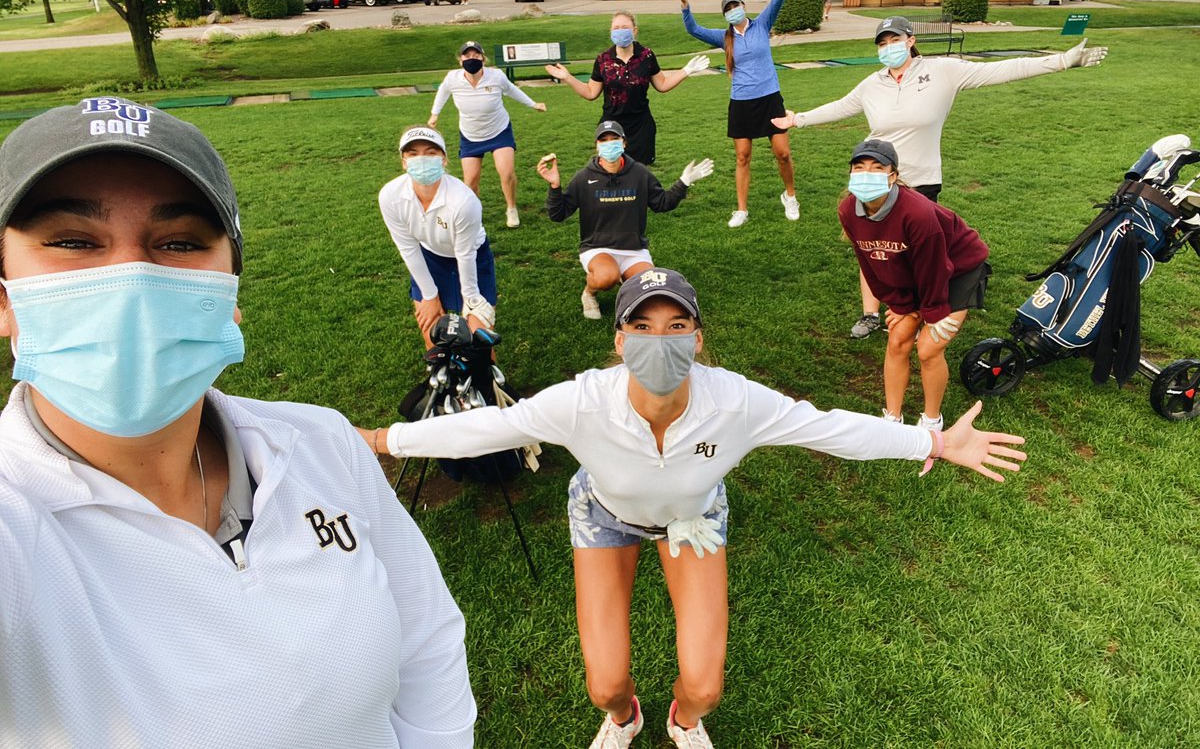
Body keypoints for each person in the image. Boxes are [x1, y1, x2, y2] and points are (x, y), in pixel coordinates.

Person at [362, 268, 1026, 749]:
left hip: (693, 520)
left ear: (698, 339)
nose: (661, 340)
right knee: (605, 686)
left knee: (705, 688)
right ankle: (626, 722)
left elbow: (830, 429)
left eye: (676, 326)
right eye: (643, 327)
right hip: (602, 513)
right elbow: (484, 430)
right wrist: (386, 441)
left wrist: (932, 439)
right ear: (619, 341)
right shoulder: (581, 400)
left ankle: (682, 721)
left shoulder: (734, 401)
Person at [0, 98, 476, 746]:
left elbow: (428, 641)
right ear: (5, 295)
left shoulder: (322, 443)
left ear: (229, 292)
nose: (131, 279)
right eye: (73, 241)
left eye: (178, 243)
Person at [773, 15, 1109, 338]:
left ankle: (917, 312)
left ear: (911, 41)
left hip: (920, 181)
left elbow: (1002, 69)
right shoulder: (872, 84)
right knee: (873, 247)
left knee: (915, 253)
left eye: (895, 39)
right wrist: (797, 119)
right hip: (877, 178)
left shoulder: (943, 71)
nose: (889, 46)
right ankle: (870, 313)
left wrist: (1063, 60)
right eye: (883, 42)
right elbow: (840, 107)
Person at [838, 139, 992, 430]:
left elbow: (935, 270)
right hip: (920, 274)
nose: (866, 174)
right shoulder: (848, 210)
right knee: (897, 340)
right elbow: (871, 264)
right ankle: (892, 419)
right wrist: (900, 305)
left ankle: (932, 420)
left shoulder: (917, 213)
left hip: (959, 270)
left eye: (877, 167)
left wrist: (927, 314)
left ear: (893, 175)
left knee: (928, 348)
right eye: (859, 167)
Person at [536, 120, 713, 319]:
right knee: (606, 277)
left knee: (650, 290)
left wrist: (684, 182)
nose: (609, 143)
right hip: (598, 247)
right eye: (604, 140)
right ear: (596, 145)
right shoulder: (584, 177)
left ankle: (625, 276)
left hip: (633, 249)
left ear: (624, 143)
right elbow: (557, 214)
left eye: (614, 139)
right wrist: (554, 186)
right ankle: (589, 293)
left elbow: (661, 203)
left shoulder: (639, 173)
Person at [677, 0, 799, 228]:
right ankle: (742, 210)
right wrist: (685, 4)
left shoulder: (762, 24)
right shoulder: (725, 37)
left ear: (743, 5)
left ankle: (790, 196)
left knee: (783, 154)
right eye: (728, 8)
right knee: (742, 156)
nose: (733, 10)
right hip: (742, 102)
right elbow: (694, 29)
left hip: (770, 99)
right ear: (725, 14)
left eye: (736, 5)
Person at [379, 124, 498, 349]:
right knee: (433, 336)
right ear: (403, 161)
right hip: (430, 258)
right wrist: (429, 295)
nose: (421, 159)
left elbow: (465, 253)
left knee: (479, 342)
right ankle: (439, 380)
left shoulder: (464, 201)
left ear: (444, 159)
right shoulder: (390, 196)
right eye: (413, 154)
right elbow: (408, 248)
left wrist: (471, 299)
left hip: (473, 258)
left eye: (431, 153)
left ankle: (487, 383)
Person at [544, 11, 710, 165]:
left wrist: (686, 71)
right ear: (610, 31)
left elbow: (662, 84)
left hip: (641, 126)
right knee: (612, 174)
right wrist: (568, 78)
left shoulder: (647, 56)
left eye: (625, 28)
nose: (620, 31)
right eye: (616, 28)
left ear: (635, 31)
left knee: (639, 176)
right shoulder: (603, 59)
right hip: (611, 128)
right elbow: (590, 92)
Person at [429, 40, 548, 228]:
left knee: (506, 173)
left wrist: (533, 104)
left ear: (483, 58)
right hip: (470, 135)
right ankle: (474, 213)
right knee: (471, 180)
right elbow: (442, 93)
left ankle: (511, 208)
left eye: (476, 55)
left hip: (499, 131)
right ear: (460, 60)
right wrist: (434, 115)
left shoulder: (496, 76)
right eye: (467, 56)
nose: (471, 59)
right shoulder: (453, 78)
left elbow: (512, 90)